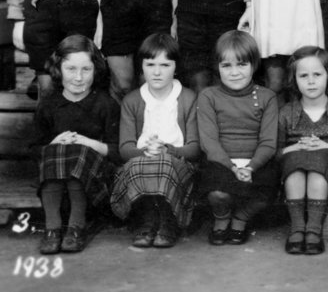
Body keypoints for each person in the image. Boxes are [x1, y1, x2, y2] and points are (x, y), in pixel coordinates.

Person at [33, 35, 119, 254]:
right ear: (58, 69)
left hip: (93, 187)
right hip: (54, 188)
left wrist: (88, 144)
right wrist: (53, 144)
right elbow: (34, 148)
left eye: (86, 69)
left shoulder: (105, 104)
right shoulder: (49, 105)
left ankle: (76, 228)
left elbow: (117, 151)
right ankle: (52, 228)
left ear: (96, 70)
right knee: (57, 150)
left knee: (78, 152)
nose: (78, 77)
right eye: (71, 69)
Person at [111, 34, 199, 249]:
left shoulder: (188, 98)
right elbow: (125, 149)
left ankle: (168, 221)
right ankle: (147, 221)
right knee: (140, 164)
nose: (157, 72)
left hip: (177, 166)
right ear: (141, 67)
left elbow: (195, 148)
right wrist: (145, 152)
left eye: (165, 65)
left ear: (176, 67)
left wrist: (168, 150)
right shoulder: (132, 100)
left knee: (163, 163)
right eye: (150, 65)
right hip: (141, 163)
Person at [197, 30, 280, 246]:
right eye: (226, 65)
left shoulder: (267, 97)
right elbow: (209, 142)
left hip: (255, 162)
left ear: (254, 65)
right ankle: (222, 217)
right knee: (217, 193)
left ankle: (241, 218)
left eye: (242, 64)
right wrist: (232, 167)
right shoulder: (208, 96)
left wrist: (251, 167)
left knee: (267, 191)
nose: (234, 72)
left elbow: (268, 142)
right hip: (222, 161)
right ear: (217, 67)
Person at [278, 46, 328, 255]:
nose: (311, 81)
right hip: (294, 171)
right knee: (296, 165)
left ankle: (313, 229)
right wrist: (295, 147)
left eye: (317, 74)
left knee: (316, 166)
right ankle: (297, 228)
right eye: (303, 76)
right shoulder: (286, 112)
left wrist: (326, 146)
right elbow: (275, 153)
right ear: (294, 79)